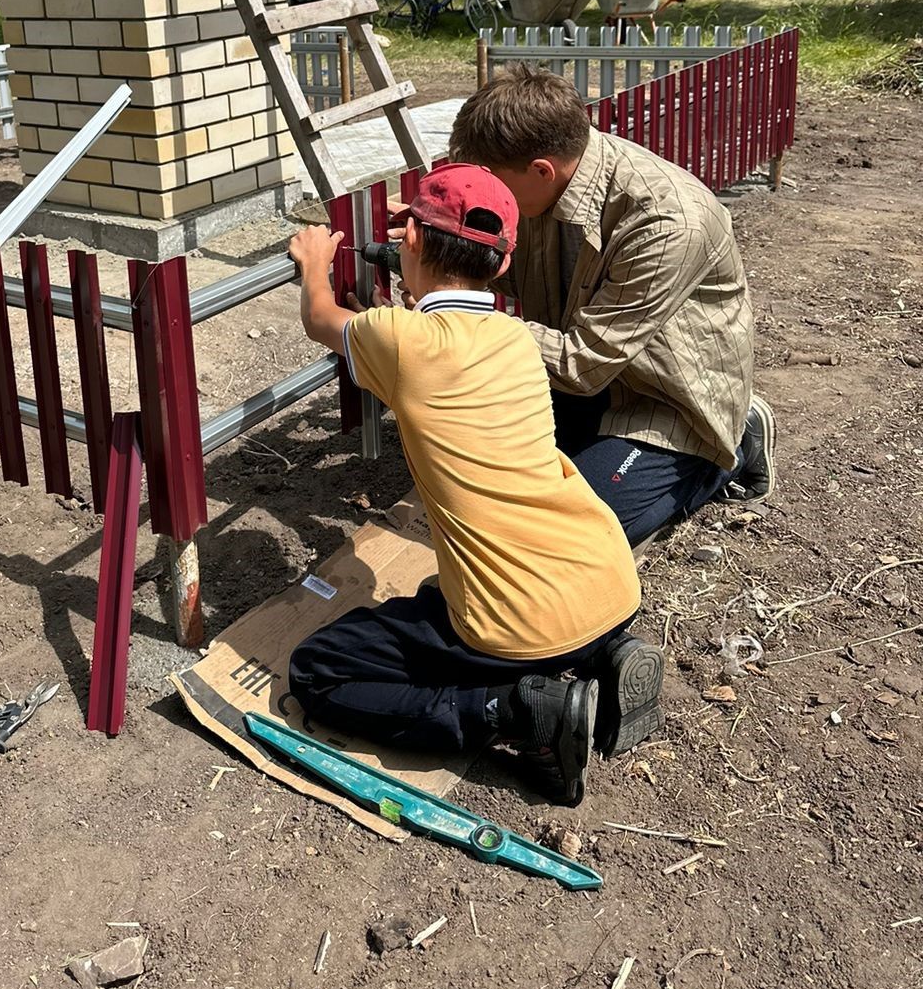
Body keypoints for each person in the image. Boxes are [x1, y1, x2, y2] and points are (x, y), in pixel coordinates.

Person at [285, 165, 663, 807]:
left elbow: (323, 319)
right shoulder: (514, 339)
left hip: (513, 623)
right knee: (441, 593)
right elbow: (435, 354)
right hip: (607, 578)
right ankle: (604, 654)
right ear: (504, 260)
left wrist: (314, 261)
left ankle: (511, 710)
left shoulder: (398, 339)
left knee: (320, 666)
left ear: (408, 243)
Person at [448, 65, 775, 548]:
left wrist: (457, 311)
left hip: (661, 404)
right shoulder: (549, 183)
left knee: (569, 538)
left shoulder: (667, 223)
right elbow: (512, 276)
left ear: (541, 169)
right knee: (488, 479)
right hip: (587, 382)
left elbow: (582, 364)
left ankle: (726, 450)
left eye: (493, 181)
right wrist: (435, 259)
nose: (489, 195)